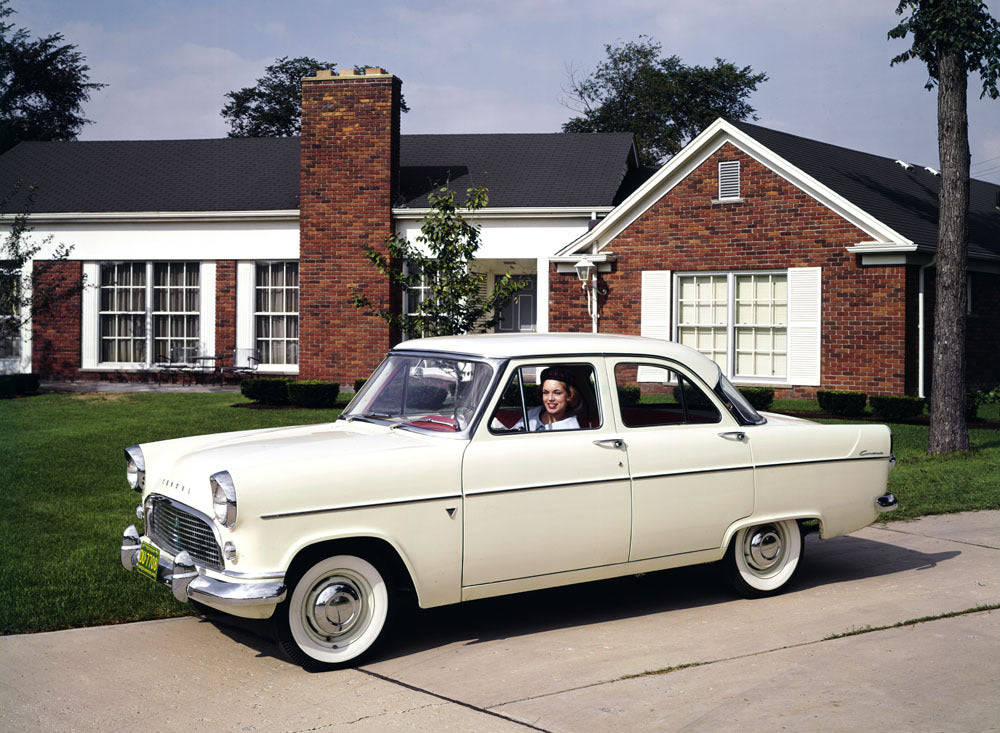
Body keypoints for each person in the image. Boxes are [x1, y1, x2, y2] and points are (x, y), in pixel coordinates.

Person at [515, 366, 581, 431]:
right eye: (545, 392)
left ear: (569, 395)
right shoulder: (533, 413)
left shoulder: (572, 428)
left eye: (557, 393)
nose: (550, 398)